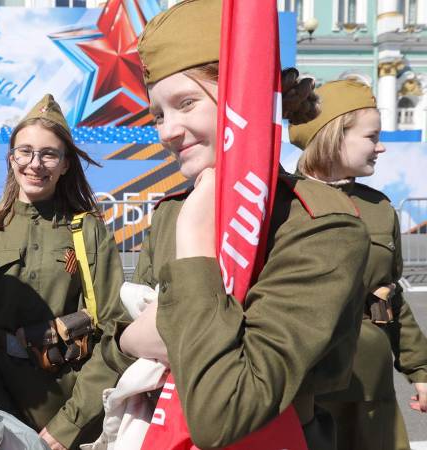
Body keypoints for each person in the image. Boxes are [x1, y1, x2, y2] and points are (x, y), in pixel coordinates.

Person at [117, 0, 372, 447]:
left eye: (186, 103)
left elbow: (225, 410)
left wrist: (195, 245)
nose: (166, 131)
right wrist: (126, 342)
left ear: (243, 98)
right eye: (159, 114)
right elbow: (123, 337)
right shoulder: (173, 210)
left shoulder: (318, 224)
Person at [0, 94, 134, 450]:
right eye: (25, 152)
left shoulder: (87, 229)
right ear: (11, 158)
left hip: (74, 403)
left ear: (65, 164)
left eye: (49, 153)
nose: (36, 164)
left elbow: (115, 326)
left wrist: (70, 423)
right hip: (0, 401)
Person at [289, 80, 427, 450]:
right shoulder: (284, 203)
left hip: (369, 393)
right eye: (372, 136)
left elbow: (387, 296)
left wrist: (419, 370)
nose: (380, 146)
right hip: (301, 390)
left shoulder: (380, 209)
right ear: (335, 136)